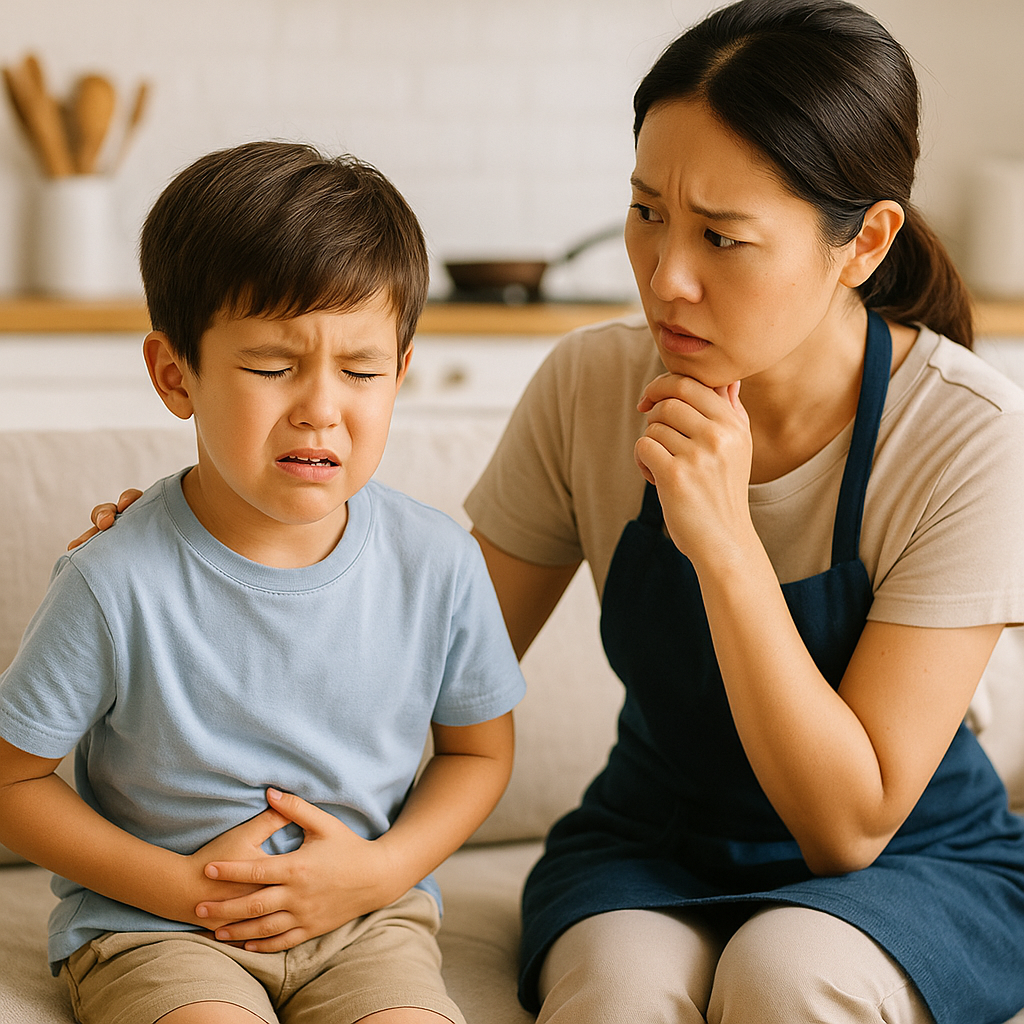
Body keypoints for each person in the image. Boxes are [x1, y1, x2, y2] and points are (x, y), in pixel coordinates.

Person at [70, 2, 1024, 1023]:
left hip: (907, 860)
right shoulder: (588, 386)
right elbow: (415, 670)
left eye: (722, 236)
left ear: (864, 242)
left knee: (784, 974)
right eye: (646, 210)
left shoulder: (966, 435)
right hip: (654, 838)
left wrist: (724, 544)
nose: (665, 277)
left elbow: (848, 827)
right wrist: (211, 539)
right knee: (612, 995)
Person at [0, 140, 526, 1024]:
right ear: (177, 375)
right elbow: (13, 783)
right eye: (273, 366)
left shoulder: (439, 562)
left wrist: (383, 870)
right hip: (153, 929)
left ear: (400, 374)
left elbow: (480, 751)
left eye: (361, 370)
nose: (321, 405)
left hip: (366, 920)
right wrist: (178, 889)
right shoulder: (113, 578)